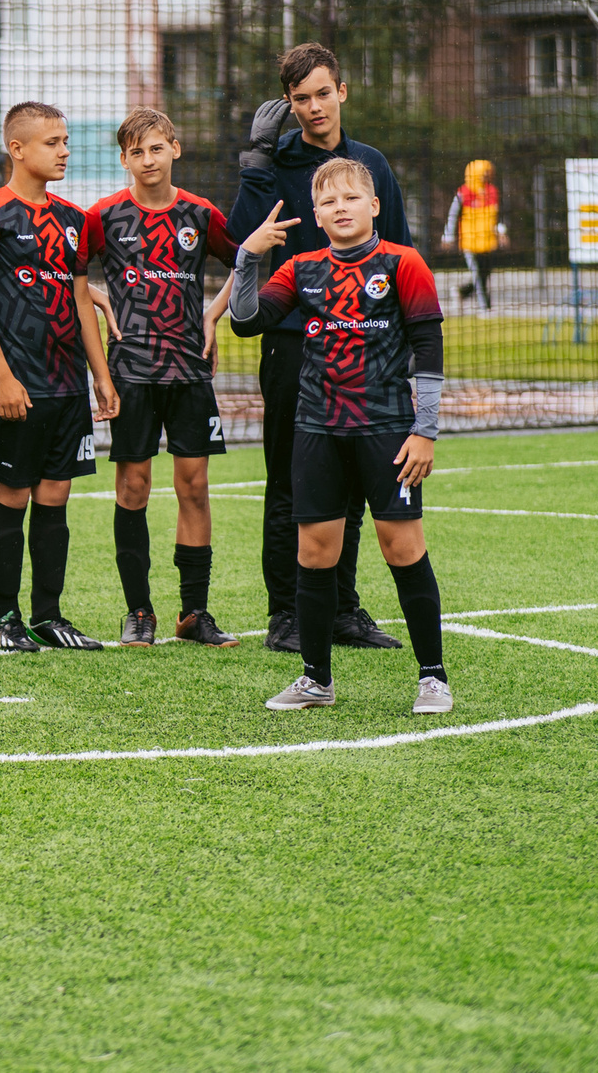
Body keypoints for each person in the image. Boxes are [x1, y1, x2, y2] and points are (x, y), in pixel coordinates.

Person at [228, 160, 453, 715]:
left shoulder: (403, 263)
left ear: (374, 206)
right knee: (314, 553)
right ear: (317, 215)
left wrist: (424, 431)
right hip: (317, 429)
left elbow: (428, 350)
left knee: (403, 548)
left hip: (387, 430)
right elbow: (246, 321)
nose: (341, 208)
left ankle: (433, 678)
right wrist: (248, 256)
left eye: (351, 198)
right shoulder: (300, 268)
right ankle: (315, 679)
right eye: (329, 202)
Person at [229, 42, 412, 658]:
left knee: (353, 485)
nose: (314, 107)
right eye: (301, 98)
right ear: (288, 103)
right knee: (291, 483)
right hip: (292, 347)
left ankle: (340, 610)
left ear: (342, 92)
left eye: (323, 94)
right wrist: (256, 164)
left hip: (364, 350)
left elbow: (401, 253)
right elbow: (241, 243)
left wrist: (403, 347)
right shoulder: (276, 162)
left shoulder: (370, 165)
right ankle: (287, 613)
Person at [0, 103, 110, 655]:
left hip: (67, 385)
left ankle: (48, 616)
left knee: (55, 495)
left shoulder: (74, 219)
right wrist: (2, 378)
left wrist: (101, 376)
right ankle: (4, 618)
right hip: (18, 386)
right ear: (17, 149)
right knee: (13, 494)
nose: (64, 151)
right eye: (52, 142)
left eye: (65, 141)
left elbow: (81, 300)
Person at [85, 108, 241, 649]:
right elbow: (67, 272)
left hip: (190, 370)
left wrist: (213, 313)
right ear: (123, 160)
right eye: (136, 152)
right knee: (134, 486)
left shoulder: (200, 213)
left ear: (175, 148)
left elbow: (246, 262)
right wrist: (101, 299)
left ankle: (194, 613)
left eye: (156, 148)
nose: (147, 160)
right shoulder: (104, 216)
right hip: (130, 370)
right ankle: (139, 612)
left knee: (193, 486)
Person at [442, 160, 508, 312]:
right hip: (470, 242)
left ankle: (461, 292)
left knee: (484, 275)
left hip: (488, 242)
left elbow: (498, 215)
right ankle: (485, 307)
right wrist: (448, 237)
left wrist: (501, 232)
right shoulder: (463, 193)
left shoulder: (492, 192)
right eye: (484, 173)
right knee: (478, 274)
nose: (487, 176)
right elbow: (453, 215)